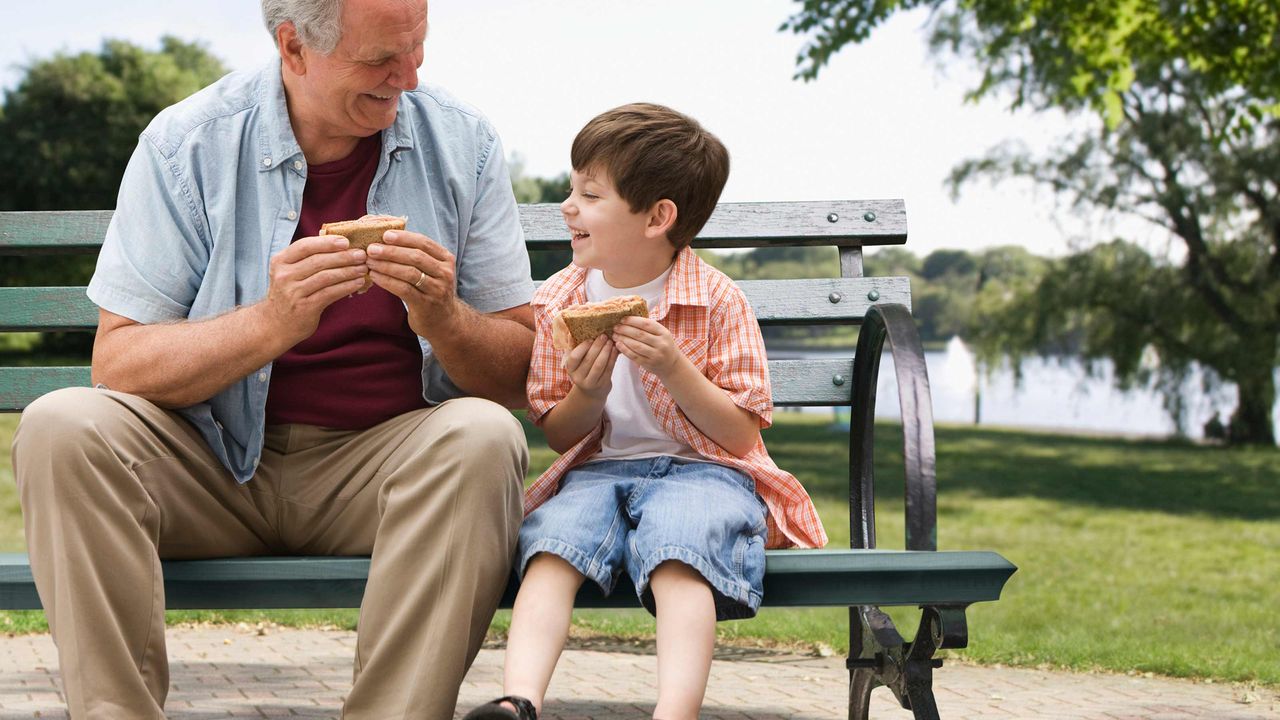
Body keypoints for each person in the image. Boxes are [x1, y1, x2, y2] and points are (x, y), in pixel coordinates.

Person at [11, 1, 535, 717]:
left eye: (417, 49)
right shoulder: (186, 143)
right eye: (381, 59)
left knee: (483, 436)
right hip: (208, 465)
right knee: (62, 424)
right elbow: (120, 364)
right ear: (293, 47)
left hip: (381, 474)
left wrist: (446, 318)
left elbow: (515, 374)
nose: (408, 78)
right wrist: (271, 321)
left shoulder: (463, 143)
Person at [465, 104, 829, 720]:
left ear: (658, 218)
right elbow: (561, 435)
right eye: (571, 188)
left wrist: (674, 368)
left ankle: (675, 710)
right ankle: (518, 701)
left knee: (679, 552)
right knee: (552, 547)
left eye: (589, 193)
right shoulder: (557, 300)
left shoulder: (717, 300)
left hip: (704, 472)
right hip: (597, 473)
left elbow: (741, 434)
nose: (568, 207)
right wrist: (585, 392)